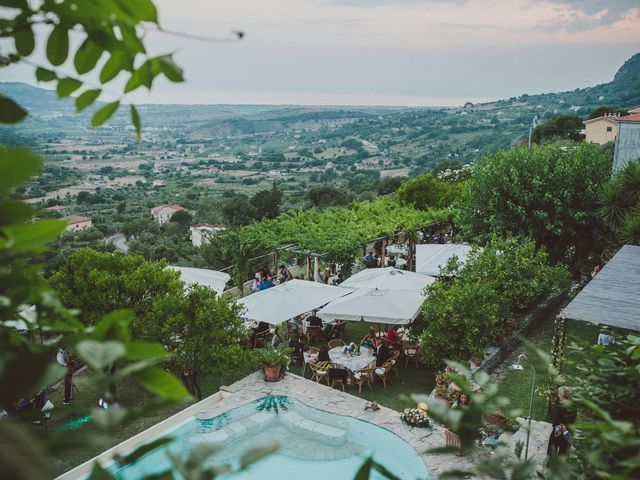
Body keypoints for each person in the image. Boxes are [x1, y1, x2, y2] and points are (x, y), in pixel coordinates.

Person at [547, 387, 577, 457]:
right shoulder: (572, 405)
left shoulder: (559, 405)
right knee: (562, 453)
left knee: (554, 450)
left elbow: (554, 417)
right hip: (564, 430)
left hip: (563, 431)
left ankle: (551, 465)